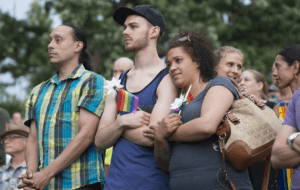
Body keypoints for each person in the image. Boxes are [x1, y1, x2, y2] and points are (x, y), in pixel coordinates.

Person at [151, 30, 253, 189]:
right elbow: (165, 164)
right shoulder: (178, 105)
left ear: (197, 60)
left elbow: (206, 126)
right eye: (169, 64)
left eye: (178, 60)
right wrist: (159, 139)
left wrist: (166, 134)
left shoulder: (219, 83)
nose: (172, 68)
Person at [94, 4, 178, 190]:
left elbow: (153, 137)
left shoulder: (167, 78)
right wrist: (122, 122)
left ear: (154, 31)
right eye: (124, 27)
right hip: (114, 184)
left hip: (151, 183)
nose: (125, 32)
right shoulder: (118, 81)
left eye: (133, 26)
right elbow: (99, 141)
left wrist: (114, 127)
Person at [18, 24, 106, 190]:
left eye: (58, 40)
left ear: (78, 46)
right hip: (45, 185)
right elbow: (33, 139)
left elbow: (86, 135)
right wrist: (31, 177)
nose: (50, 45)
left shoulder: (92, 81)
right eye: (50, 41)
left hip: (82, 183)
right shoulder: (38, 91)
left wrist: (45, 174)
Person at [239, 69, 277, 189]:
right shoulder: (238, 107)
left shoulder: (272, 107)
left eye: (247, 79)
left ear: (260, 85)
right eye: (240, 80)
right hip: (243, 162)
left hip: (264, 164)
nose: (241, 83)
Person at [271, 44, 300, 190]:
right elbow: (276, 157)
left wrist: (290, 139)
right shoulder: (286, 105)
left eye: (278, 66)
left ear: (295, 67)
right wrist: (295, 138)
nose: (274, 73)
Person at [105, 57, 134, 177]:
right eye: (114, 72)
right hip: (108, 155)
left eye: (121, 72)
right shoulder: (109, 93)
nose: (117, 76)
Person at [0, 122, 28, 190]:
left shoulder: (35, 171)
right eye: (4, 139)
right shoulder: (1, 170)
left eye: (11, 138)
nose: (5, 142)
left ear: (26, 140)